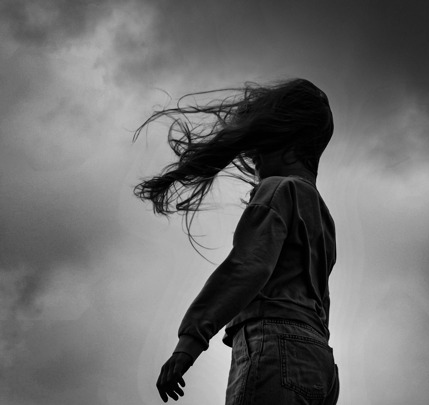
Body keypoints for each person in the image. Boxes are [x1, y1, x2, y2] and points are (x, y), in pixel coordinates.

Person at [134, 78, 339, 404]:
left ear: (288, 142)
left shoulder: (278, 189)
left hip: (276, 345)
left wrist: (190, 341)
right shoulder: (323, 216)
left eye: (260, 148)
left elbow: (248, 266)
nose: (255, 160)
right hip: (320, 361)